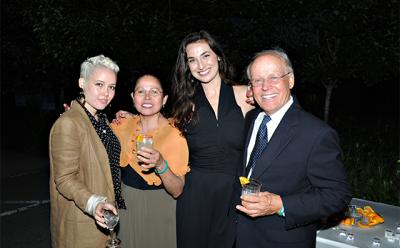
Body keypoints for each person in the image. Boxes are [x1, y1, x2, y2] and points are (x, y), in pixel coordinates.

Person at [235, 48, 352, 248]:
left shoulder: (317, 133)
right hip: (242, 237)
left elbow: (337, 195)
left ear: (290, 80)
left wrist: (280, 205)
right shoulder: (252, 118)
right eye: (257, 80)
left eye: (273, 77)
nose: (265, 87)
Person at [171, 30, 254, 248]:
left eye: (205, 55)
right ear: (187, 67)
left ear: (218, 56)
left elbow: (280, 117)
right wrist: (134, 118)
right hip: (195, 196)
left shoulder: (245, 96)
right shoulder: (185, 106)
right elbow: (162, 129)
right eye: (192, 60)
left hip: (234, 195)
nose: (200, 64)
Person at [49, 55, 125, 248]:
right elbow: (65, 179)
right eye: (99, 84)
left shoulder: (102, 120)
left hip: (106, 220)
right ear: (82, 83)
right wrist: (95, 204)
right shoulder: (68, 123)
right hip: (83, 225)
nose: (106, 93)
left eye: (111, 87)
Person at [110, 74, 189, 248]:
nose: (147, 97)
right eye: (141, 91)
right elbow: (94, 138)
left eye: (154, 91)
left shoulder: (175, 134)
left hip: (160, 209)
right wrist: (80, 115)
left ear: (164, 99)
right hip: (126, 206)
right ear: (132, 97)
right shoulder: (122, 125)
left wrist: (161, 164)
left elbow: (177, 191)